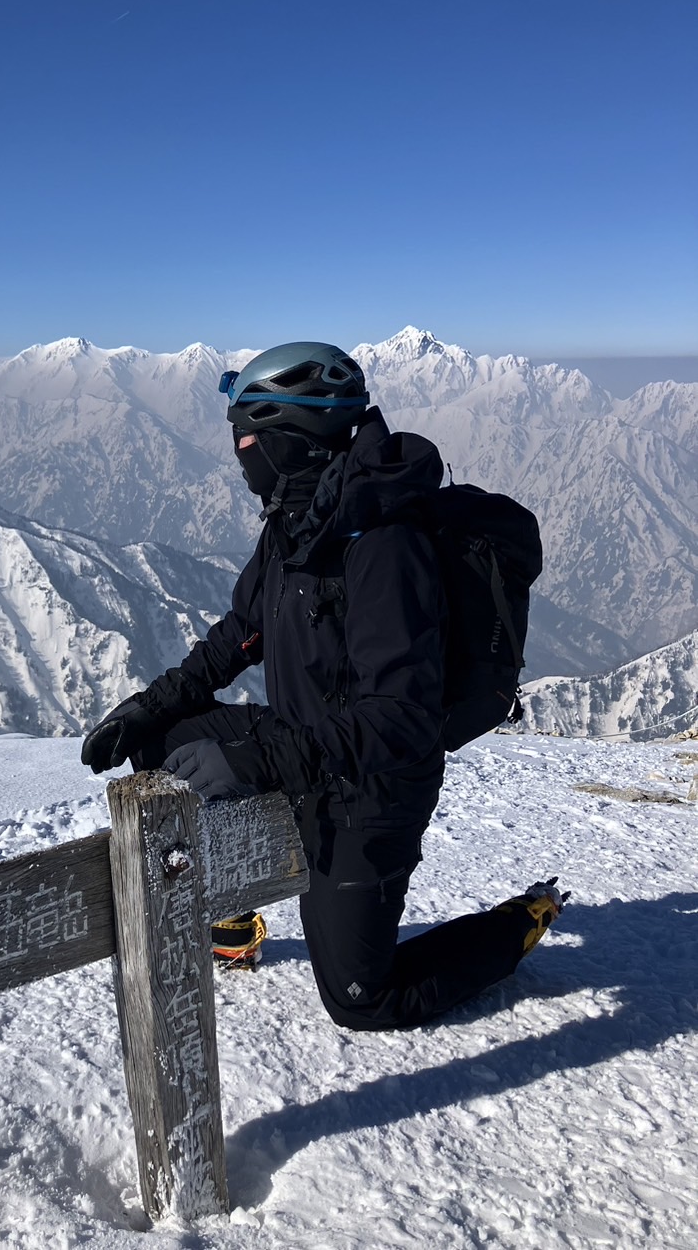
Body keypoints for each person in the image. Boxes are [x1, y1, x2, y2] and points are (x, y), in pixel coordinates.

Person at [81, 341, 565, 1030]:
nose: (239, 448)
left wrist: (251, 760)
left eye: (248, 433)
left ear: (292, 439)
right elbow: (236, 636)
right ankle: (231, 901)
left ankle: (518, 923)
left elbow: (402, 720)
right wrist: (146, 709)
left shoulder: (384, 548)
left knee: (363, 997)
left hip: (372, 790)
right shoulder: (295, 523)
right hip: (304, 747)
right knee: (163, 742)